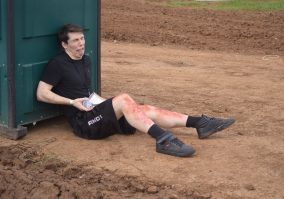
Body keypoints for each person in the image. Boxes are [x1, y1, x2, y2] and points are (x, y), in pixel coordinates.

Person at [36, 24, 235, 157]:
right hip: (84, 123)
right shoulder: (58, 64)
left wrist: (103, 104)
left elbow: (87, 92)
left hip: (94, 111)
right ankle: (163, 140)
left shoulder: (86, 59)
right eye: (75, 41)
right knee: (123, 99)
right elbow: (41, 93)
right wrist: (71, 102)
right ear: (64, 45)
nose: (81, 43)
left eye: (82, 39)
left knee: (143, 109)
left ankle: (199, 123)